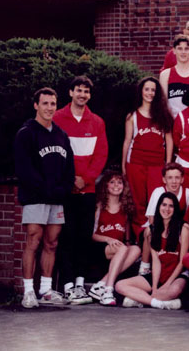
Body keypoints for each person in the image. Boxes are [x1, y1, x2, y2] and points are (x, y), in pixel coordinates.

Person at [53, 76, 108, 303]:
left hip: (86, 191)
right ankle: (66, 285)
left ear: (90, 96)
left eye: (86, 91)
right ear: (70, 92)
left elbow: (101, 155)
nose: (82, 95)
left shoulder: (97, 121)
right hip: (65, 190)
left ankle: (79, 284)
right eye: (78, 90)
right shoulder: (57, 118)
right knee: (65, 237)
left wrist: (85, 179)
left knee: (83, 238)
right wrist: (70, 179)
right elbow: (55, 153)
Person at [116, 192, 189, 309]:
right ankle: (158, 303)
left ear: (175, 209)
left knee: (174, 291)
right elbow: (156, 262)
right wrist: (155, 287)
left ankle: (140, 299)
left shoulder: (183, 228)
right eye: (164, 205)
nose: (166, 209)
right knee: (119, 285)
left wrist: (167, 284)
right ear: (158, 207)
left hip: (176, 275)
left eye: (171, 206)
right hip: (158, 274)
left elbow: (182, 262)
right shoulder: (152, 229)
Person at [87, 171, 142, 306]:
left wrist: (124, 246)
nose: (116, 185)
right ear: (105, 186)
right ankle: (108, 290)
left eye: (119, 182)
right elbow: (91, 234)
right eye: (112, 182)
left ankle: (101, 284)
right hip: (100, 248)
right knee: (122, 248)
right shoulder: (99, 206)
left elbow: (127, 239)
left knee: (135, 249)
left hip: (117, 252)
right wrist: (107, 239)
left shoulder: (125, 208)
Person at [121, 77, 173, 218]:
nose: (150, 93)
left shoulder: (163, 115)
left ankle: (153, 231)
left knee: (155, 199)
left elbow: (169, 140)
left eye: (153, 90)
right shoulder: (132, 116)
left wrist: (167, 163)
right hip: (136, 163)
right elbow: (127, 141)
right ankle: (139, 234)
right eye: (147, 89)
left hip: (156, 164)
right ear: (141, 91)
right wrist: (123, 165)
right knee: (138, 200)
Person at [160, 34, 189, 117]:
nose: (183, 52)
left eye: (186, 49)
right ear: (174, 50)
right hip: (172, 122)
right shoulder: (165, 74)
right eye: (180, 49)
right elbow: (163, 104)